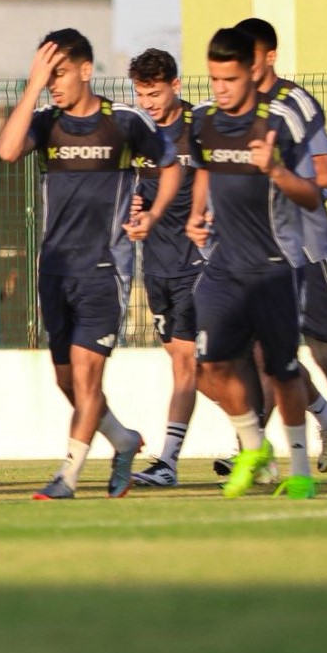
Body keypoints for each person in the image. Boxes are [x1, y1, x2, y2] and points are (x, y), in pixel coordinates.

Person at [0, 29, 179, 499]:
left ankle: (68, 477)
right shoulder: (47, 120)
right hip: (54, 269)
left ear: (85, 70)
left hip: (105, 268)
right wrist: (32, 87)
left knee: (86, 374)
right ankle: (122, 440)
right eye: (46, 74)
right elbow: (7, 150)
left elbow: (171, 166)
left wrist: (151, 215)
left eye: (58, 73)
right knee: (66, 380)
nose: (53, 83)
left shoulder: (124, 121)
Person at [184, 26, 325, 499]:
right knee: (210, 364)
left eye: (229, 79)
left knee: (283, 372)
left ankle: (301, 469)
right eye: (213, 79)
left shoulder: (280, 120)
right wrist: (197, 213)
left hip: (275, 267)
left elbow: (311, 195)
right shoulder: (203, 120)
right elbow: (204, 166)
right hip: (225, 266)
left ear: (251, 72)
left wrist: (276, 170)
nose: (220, 89)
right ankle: (254, 446)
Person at [233, 17, 327, 489]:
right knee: (257, 355)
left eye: (247, 60)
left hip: (307, 248)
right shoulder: (233, 110)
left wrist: (291, 187)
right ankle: (254, 453)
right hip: (257, 251)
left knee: (324, 350)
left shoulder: (296, 105)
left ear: (268, 57)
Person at [124, 49, 200, 488]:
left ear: (175, 85)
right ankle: (319, 411)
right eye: (140, 93)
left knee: (190, 363)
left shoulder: (200, 128)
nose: (148, 102)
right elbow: (131, 189)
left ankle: (168, 461)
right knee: (195, 365)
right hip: (157, 263)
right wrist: (134, 208)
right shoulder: (138, 134)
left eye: (154, 93)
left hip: (203, 262)